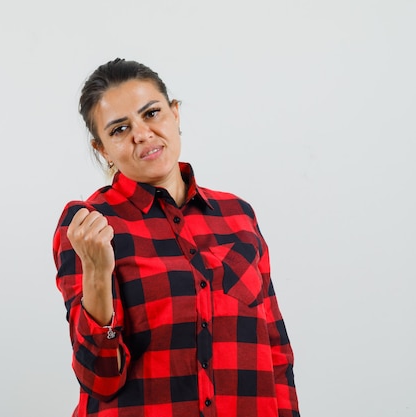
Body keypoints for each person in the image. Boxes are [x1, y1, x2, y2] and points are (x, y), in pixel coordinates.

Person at [52, 58, 300, 417]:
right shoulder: (90, 225)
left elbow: (276, 354)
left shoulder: (238, 216)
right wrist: (96, 274)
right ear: (102, 149)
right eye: (119, 129)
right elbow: (100, 380)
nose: (141, 133)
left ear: (175, 113)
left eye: (151, 114)